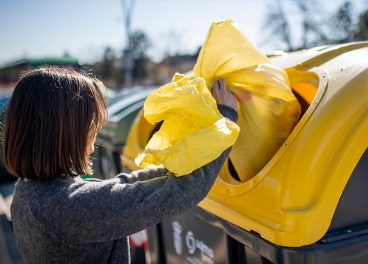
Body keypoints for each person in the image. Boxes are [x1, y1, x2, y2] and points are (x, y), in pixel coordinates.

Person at [5, 66, 238, 264]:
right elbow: (186, 190)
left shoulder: (28, 194)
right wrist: (226, 118)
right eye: (91, 123)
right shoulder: (71, 208)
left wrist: (175, 167)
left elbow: (119, 187)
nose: (96, 131)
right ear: (64, 132)